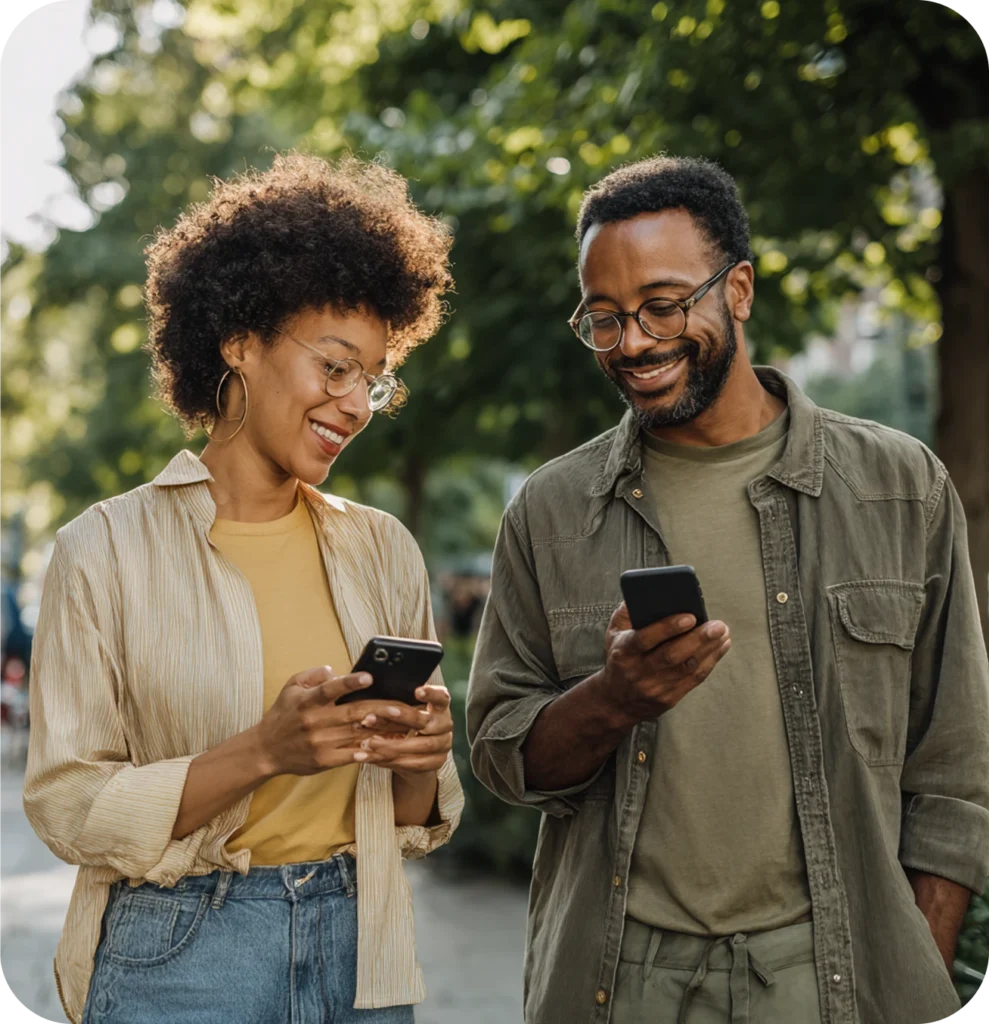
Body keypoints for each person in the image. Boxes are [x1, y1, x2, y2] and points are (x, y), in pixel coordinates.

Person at [467, 155, 989, 1024]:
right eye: (604, 318)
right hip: (619, 974)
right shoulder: (550, 513)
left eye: (662, 306)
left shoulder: (899, 486)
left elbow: (954, 768)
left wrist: (910, 967)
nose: (632, 342)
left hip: (829, 974)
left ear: (736, 289)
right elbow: (500, 754)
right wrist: (611, 700)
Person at [24, 153, 463, 1024]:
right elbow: (68, 806)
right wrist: (263, 751)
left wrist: (417, 760)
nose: (354, 404)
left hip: (358, 948)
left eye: (372, 380)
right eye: (334, 367)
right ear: (240, 340)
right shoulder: (102, 551)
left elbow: (410, 817)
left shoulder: (382, 549)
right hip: (181, 954)